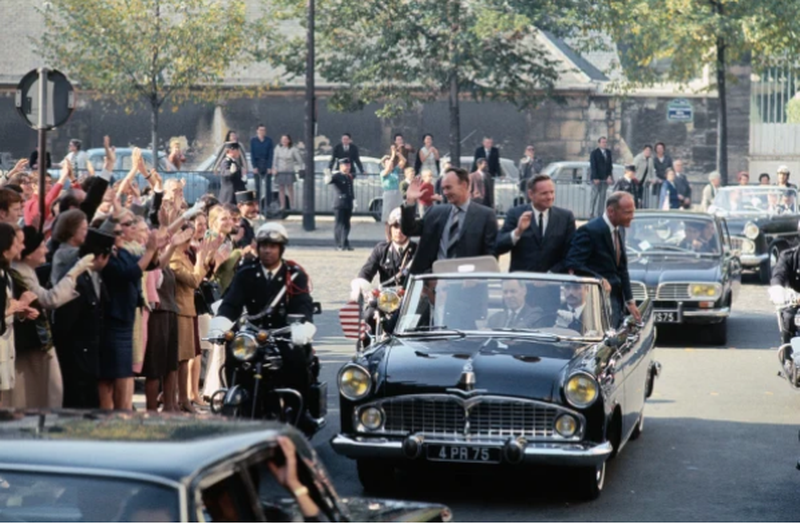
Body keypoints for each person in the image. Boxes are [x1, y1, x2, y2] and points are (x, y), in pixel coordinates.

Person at [209, 223, 319, 434]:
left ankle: (300, 411)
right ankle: (233, 396)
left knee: (298, 360)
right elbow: (231, 302)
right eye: (264, 246)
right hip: (252, 335)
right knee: (233, 357)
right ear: (257, 247)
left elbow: (303, 304)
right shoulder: (246, 273)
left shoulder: (295, 275)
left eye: (273, 246)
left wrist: (302, 327)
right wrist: (220, 322)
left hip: (283, 334)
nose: (268, 250)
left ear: (281, 248)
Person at [8, 227, 93, 409]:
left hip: (34, 340)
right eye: (41, 246)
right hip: (30, 342)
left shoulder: (26, 269)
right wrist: (75, 272)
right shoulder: (19, 271)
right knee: (39, 391)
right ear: (29, 252)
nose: (46, 250)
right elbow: (49, 299)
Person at [100, 212, 160, 410]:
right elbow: (130, 273)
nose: (123, 234)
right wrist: (151, 250)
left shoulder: (124, 252)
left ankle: (123, 412)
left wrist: (157, 246)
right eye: (117, 232)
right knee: (111, 377)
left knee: (124, 373)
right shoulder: (107, 257)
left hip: (125, 320)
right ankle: (110, 415)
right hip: (113, 320)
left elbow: (151, 263)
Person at [53, 227, 115, 409]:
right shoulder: (78, 281)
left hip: (88, 358)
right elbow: (65, 325)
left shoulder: (92, 277)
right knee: (78, 407)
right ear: (100, 257)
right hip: (76, 360)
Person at [402, 167, 498, 275]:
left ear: (464, 185)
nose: (445, 192)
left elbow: (490, 255)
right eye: (443, 188)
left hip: (469, 280)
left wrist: (477, 278)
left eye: (448, 187)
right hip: (435, 280)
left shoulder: (485, 216)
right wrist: (410, 201)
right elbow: (409, 229)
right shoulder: (435, 213)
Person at [565, 192, 641, 328]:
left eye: (632, 212)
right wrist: (598, 279)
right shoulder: (589, 231)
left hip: (616, 300)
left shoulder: (619, 229)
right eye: (627, 213)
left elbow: (622, 268)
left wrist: (630, 301)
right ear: (611, 211)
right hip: (597, 301)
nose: (632, 217)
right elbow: (573, 263)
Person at [170, 223, 212, 413]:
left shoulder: (183, 256)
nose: (189, 244)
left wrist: (205, 258)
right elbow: (194, 281)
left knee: (186, 358)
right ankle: (179, 398)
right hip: (180, 311)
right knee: (180, 358)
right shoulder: (174, 258)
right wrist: (201, 259)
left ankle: (183, 398)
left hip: (188, 310)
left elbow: (199, 276)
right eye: (186, 240)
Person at [496, 175, 576, 273]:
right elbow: (499, 246)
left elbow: (571, 253)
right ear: (531, 194)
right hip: (522, 279)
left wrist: (551, 274)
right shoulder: (515, 214)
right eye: (544, 193)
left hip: (554, 279)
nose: (550, 197)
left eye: (552, 192)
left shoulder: (565, 217)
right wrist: (518, 232)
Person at [0, 224, 39, 406]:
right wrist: (13, 308)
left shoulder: (6, 274)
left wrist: (19, 310)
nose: (21, 247)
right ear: (4, 249)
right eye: (16, 244)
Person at [355, 208, 417, 289]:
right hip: (386, 295)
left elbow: (428, 279)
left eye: (403, 227)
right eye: (395, 226)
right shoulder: (381, 250)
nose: (399, 231)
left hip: (412, 295)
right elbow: (366, 273)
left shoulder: (418, 251)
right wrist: (359, 287)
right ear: (389, 228)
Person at [770, 232, 800, 347]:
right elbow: (778, 275)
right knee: (788, 318)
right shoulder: (789, 256)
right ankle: (788, 352)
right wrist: (777, 289)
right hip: (796, 302)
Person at [327, 157, 355, 251]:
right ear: (341, 166)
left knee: (347, 224)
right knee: (339, 224)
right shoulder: (337, 176)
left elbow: (351, 190)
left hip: (348, 202)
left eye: (349, 165)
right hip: (339, 203)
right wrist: (328, 174)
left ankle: (345, 243)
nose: (348, 167)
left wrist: (353, 200)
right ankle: (339, 244)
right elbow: (328, 181)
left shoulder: (349, 176)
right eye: (346, 165)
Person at [272, 134, 304, 212]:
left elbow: (300, 160)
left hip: (289, 171)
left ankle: (292, 205)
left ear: (289, 140)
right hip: (280, 171)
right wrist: (274, 168)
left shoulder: (293, 149)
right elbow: (274, 160)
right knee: (281, 188)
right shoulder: (277, 148)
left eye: (285, 139)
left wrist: (301, 168)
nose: (284, 141)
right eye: (282, 139)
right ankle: (282, 206)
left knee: (290, 188)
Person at [251, 124, 275, 210]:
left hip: (266, 163)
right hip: (257, 163)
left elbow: (271, 154)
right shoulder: (253, 141)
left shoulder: (269, 141)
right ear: (257, 131)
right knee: (257, 187)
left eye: (263, 130)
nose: (262, 132)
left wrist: (269, 167)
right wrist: (254, 166)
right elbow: (252, 154)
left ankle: (267, 205)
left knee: (268, 186)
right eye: (260, 130)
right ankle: (257, 206)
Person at [381, 149, 404, 236]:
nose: (390, 164)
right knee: (388, 218)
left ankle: (396, 235)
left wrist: (398, 154)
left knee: (397, 216)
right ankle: (388, 237)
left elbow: (403, 161)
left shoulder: (395, 171)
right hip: (389, 194)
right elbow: (387, 170)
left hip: (397, 193)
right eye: (388, 163)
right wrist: (392, 156)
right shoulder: (383, 173)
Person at [589, 136, 613, 218]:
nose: (604, 144)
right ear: (599, 143)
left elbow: (610, 166)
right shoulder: (594, 153)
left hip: (604, 180)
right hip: (596, 179)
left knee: (602, 198)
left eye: (605, 142)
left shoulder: (608, 153)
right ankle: (591, 213)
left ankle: (600, 214)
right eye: (603, 142)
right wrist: (595, 177)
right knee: (594, 197)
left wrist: (609, 176)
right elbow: (593, 166)